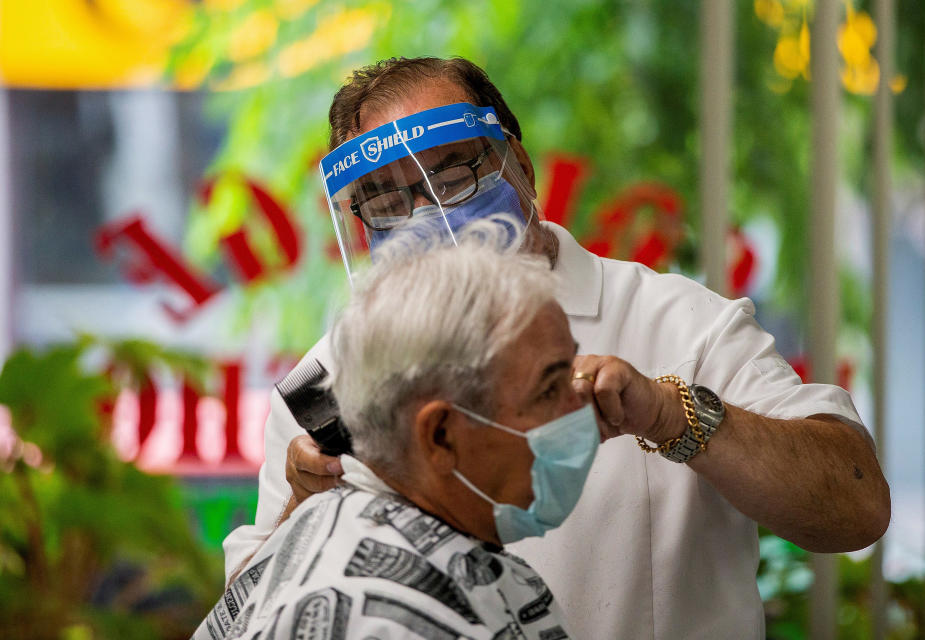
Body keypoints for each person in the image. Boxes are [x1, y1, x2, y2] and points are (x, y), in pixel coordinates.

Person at [223, 57, 890, 639]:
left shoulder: (680, 323)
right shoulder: (327, 385)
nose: (425, 216)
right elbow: (246, 622)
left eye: (450, 175)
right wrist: (305, 513)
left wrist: (669, 414)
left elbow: (857, 509)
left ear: (520, 167)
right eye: (386, 200)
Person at [196, 224, 594, 639]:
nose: (581, 401)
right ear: (441, 435)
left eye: (572, 372)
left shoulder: (448, 554)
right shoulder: (376, 622)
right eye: (549, 388)